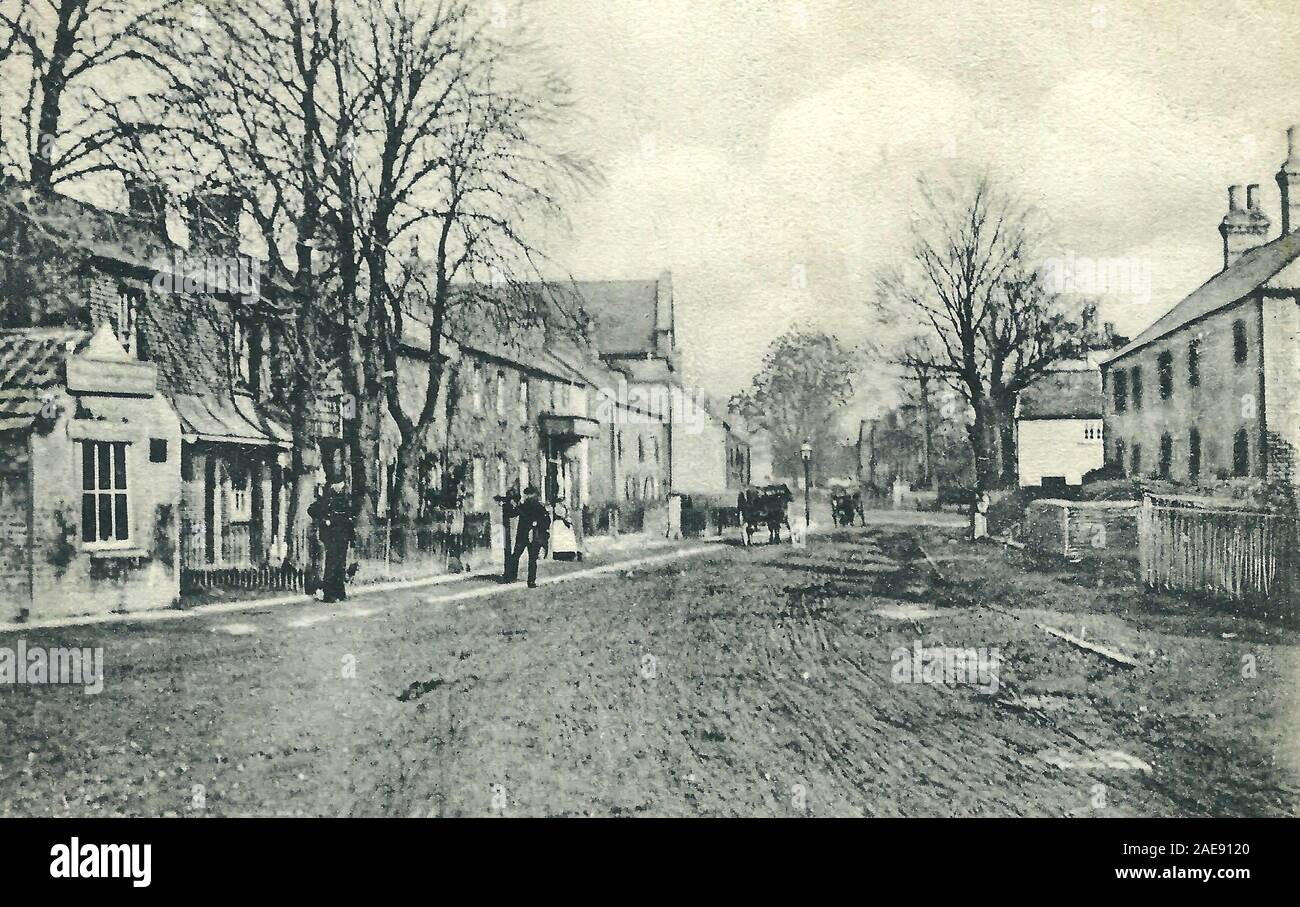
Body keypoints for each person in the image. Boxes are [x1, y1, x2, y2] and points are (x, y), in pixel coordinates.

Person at [308, 479, 355, 602]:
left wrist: (352, 538)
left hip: (343, 536)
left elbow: (349, 520)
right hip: (332, 536)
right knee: (332, 565)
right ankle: (329, 594)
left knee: (341, 565)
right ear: (333, 485)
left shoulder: (344, 499)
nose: (340, 487)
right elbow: (312, 510)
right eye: (338, 485)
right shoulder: (327, 499)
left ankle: (340, 592)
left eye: (342, 485)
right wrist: (324, 521)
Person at [507, 485, 551, 587]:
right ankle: (530, 581)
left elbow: (512, 513)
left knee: (517, 555)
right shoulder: (538, 507)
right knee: (531, 559)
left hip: (526, 535)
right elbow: (547, 521)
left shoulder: (525, 506)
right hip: (530, 536)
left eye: (528, 495)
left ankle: (512, 576)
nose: (528, 497)